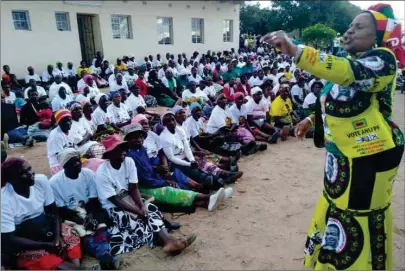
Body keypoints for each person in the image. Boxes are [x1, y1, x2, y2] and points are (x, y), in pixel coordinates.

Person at [262, 3, 405, 270]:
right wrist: (310, 119)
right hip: (341, 157)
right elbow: (338, 97)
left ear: (379, 37)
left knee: (355, 214)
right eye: (350, 26)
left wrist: (296, 50)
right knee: (335, 206)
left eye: (359, 27)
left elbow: (350, 75)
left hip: (369, 156)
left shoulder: (383, 60)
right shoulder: (349, 63)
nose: (349, 32)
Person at [94, 134, 197, 256]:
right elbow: (115, 200)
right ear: (109, 155)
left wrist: (141, 206)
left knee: (149, 208)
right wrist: (137, 211)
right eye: (118, 149)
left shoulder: (129, 162)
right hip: (113, 206)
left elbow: (133, 188)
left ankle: (168, 240)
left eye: (123, 147)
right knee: (131, 219)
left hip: (129, 198)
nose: (122, 151)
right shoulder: (102, 172)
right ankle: (167, 240)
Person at [124, 124, 231, 211]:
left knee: (175, 176)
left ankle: (205, 202)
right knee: (170, 191)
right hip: (142, 187)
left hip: (153, 179)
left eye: (140, 137)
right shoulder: (130, 156)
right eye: (134, 138)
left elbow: (149, 168)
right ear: (128, 140)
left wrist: (159, 171)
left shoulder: (141, 150)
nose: (138, 140)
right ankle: (210, 197)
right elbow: (144, 179)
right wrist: (164, 182)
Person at [1, 158, 82, 270]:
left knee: (70, 235)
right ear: (11, 180)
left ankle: (74, 265)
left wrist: (58, 238)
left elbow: (54, 213)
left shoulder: (41, 181)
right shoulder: (4, 199)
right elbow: (10, 238)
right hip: (24, 240)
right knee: (40, 258)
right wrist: (45, 245)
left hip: (45, 229)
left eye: (29, 169)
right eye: (23, 173)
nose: (30, 174)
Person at [49, 148, 119, 269]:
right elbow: (61, 210)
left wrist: (90, 216)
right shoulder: (55, 183)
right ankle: (103, 255)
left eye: (78, 160)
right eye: (74, 162)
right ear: (65, 166)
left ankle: (104, 255)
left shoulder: (88, 174)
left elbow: (93, 200)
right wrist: (81, 220)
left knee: (100, 222)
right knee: (84, 233)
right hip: (70, 215)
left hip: (89, 209)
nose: (78, 164)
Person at [160, 112, 224, 191]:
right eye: (168, 121)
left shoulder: (179, 130)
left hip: (185, 157)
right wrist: (189, 163)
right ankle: (206, 184)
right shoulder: (164, 137)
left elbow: (186, 147)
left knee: (198, 166)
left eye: (172, 119)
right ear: (164, 124)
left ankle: (214, 179)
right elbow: (171, 157)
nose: (172, 122)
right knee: (192, 171)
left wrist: (192, 160)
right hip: (176, 162)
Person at [47, 109, 75, 174]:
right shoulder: (55, 136)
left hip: (68, 159)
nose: (68, 123)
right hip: (58, 165)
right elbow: (60, 156)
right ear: (58, 122)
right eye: (64, 121)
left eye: (69, 120)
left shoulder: (70, 131)